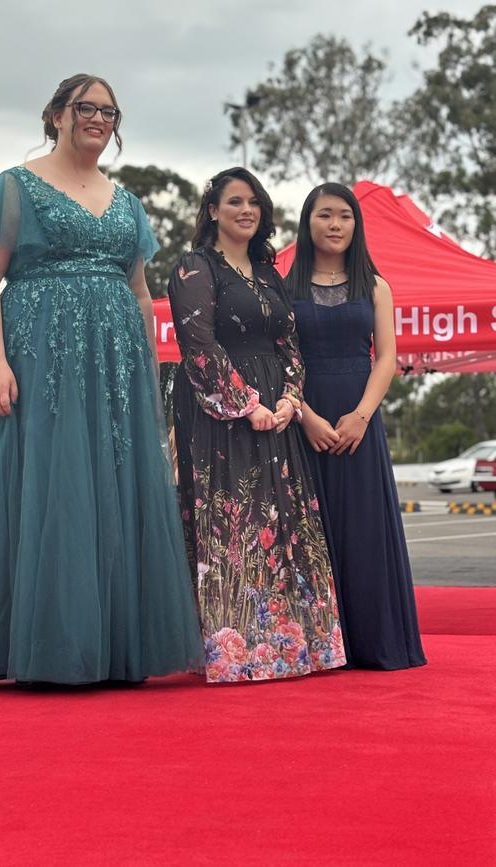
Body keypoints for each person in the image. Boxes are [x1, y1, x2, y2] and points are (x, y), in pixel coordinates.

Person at [0, 73, 203, 684]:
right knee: (51, 486)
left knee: (111, 488)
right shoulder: (16, 187)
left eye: (109, 111)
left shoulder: (126, 201)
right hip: (39, 357)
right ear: (56, 114)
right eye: (86, 108)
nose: (99, 119)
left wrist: (148, 366)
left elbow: (138, 286)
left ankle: (116, 648)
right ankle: (46, 650)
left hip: (117, 365)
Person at [168, 167, 346, 684]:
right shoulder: (195, 267)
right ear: (212, 211)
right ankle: (238, 650)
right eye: (235, 202)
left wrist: (291, 398)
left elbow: (291, 343)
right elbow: (197, 343)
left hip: (278, 409)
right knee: (235, 518)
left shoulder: (270, 273)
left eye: (255, 203)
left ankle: (297, 647)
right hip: (220, 410)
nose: (247, 211)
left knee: (284, 518)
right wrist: (246, 404)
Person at [286, 182, 426, 670]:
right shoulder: (284, 287)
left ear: (356, 224)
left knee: (364, 529)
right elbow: (276, 360)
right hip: (305, 417)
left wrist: (362, 415)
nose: (335, 225)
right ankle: (320, 647)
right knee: (311, 533)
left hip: (359, 419)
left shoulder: (376, 285)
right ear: (307, 223)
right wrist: (305, 415)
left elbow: (386, 358)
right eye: (324, 215)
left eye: (344, 216)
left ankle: (373, 642)